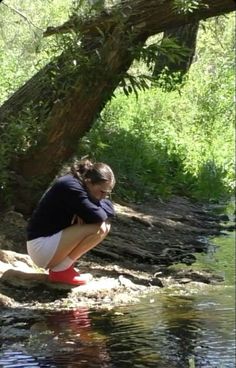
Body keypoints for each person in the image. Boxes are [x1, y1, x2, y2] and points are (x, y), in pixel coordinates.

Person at [26, 158, 115, 286]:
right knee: (99, 227)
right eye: (102, 192)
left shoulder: (81, 185)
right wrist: (94, 209)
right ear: (89, 182)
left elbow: (110, 207)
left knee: (104, 225)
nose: (103, 197)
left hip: (50, 243)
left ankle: (63, 267)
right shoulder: (71, 186)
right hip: (40, 247)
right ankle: (60, 271)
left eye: (107, 194)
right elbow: (99, 216)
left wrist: (95, 206)